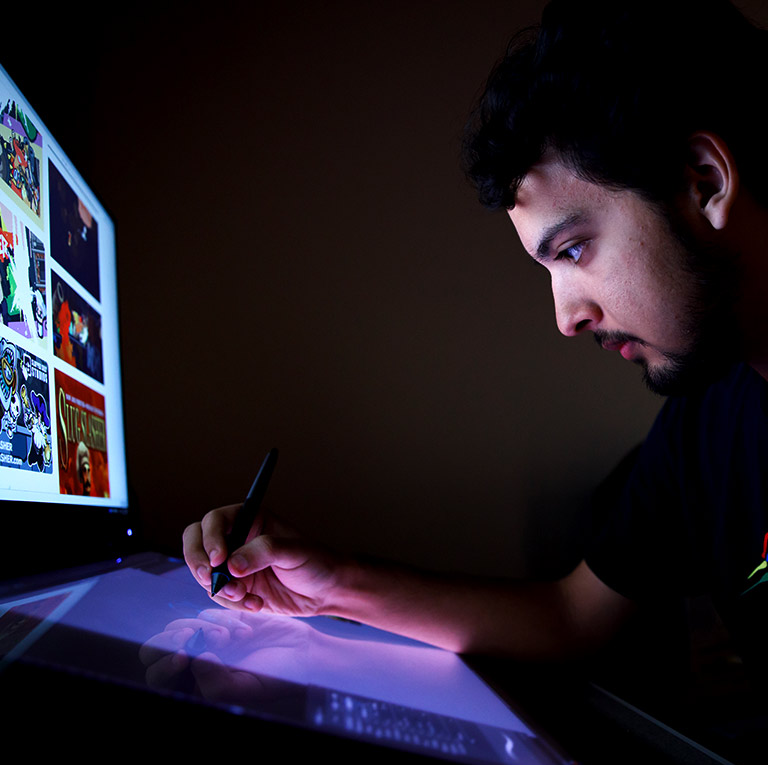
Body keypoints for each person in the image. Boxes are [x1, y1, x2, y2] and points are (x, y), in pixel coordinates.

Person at [183, 0, 768, 689]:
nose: (567, 318)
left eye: (574, 249)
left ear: (704, 182)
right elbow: (571, 618)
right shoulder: (704, 422)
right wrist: (330, 586)